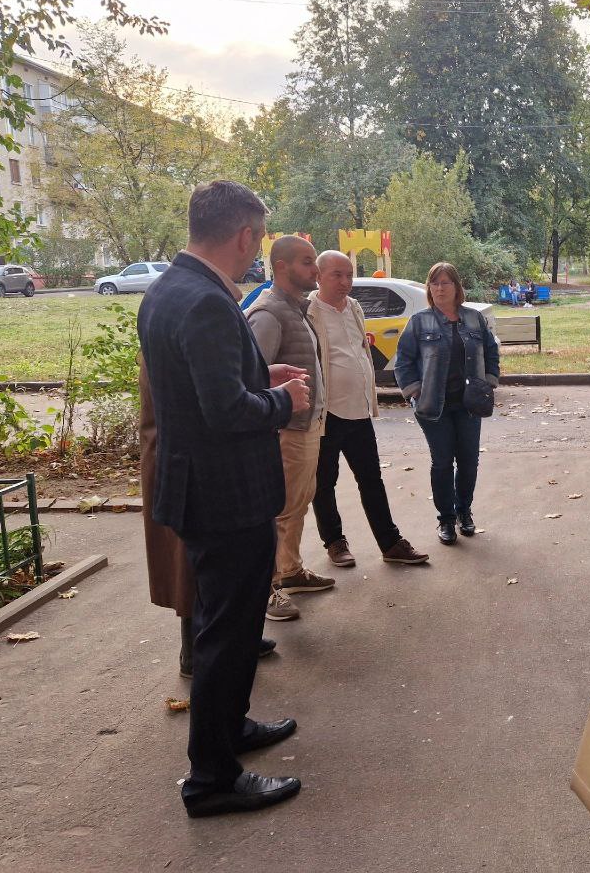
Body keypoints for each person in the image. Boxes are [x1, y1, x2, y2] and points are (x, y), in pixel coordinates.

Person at [138, 179, 310, 818]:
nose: (256, 252)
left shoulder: (167, 290)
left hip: (197, 489)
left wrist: (258, 375)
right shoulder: (208, 300)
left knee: (224, 626)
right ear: (243, 236)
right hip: (226, 495)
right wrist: (281, 402)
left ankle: (230, 727)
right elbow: (223, 412)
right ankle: (211, 777)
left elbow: (194, 384)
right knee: (227, 633)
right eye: (258, 240)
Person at [138, 361, 277, 677]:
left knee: (218, 567)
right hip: (182, 466)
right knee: (191, 568)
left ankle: (235, 639)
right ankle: (196, 653)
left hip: (186, 461)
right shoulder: (174, 336)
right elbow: (213, 403)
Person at [308, 251, 427, 567]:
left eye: (348, 275)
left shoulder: (355, 307)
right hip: (327, 414)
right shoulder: (308, 311)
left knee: (371, 479)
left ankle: (390, 543)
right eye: (337, 275)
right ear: (318, 276)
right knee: (323, 483)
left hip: (359, 410)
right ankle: (334, 542)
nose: (345, 282)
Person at [247, 235, 335, 622]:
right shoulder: (268, 313)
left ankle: (290, 571)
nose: (314, 269)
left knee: (297, 503)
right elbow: (248, 380)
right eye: (306, 261)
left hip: (306, 424)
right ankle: (265, 591)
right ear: (281, 267)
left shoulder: (296, 309)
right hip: (286, 430)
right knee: (279, 510)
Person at [395, 262, 500, 545]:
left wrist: (489, 381)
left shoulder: (474, 319)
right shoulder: (419, 322)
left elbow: (491, 351)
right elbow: (403, 362)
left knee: (468, 462)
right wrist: (415, 391)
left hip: (469, 404)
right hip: (433, 406)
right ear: (429, 289)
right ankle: (445, 519)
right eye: (434, 283)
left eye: (445, 282)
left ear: (457, 287)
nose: (440, 288)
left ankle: (464, 512)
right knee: (442, 463)